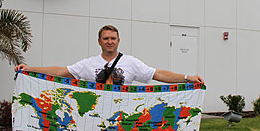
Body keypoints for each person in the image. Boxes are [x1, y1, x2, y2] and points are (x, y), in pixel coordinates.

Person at [15, 24, 204, 85]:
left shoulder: (131, 62)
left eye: (113, 38)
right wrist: (30, 69)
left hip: (123, 119)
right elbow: (62, 71)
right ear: (99, 41)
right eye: (106, 38)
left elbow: (158, 74)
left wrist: (188, 78)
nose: (110, 41)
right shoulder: (88, 63)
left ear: (119, 40)